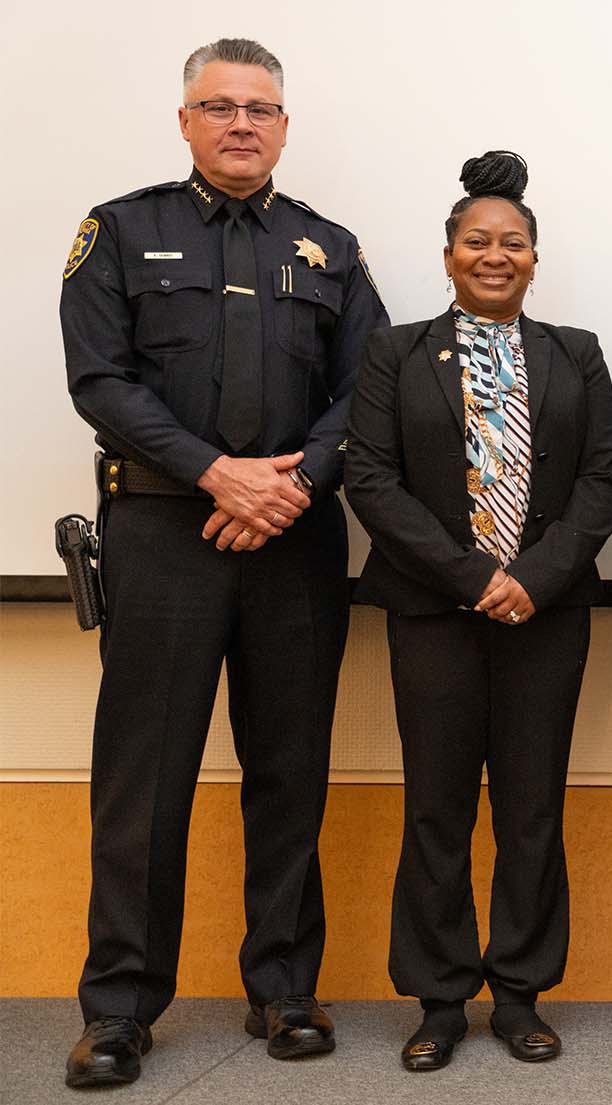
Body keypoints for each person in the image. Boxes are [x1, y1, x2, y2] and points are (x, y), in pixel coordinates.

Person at [58, 38, 388, 1089]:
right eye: (220, 106)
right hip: (164, 538)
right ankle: (118, 1007)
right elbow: (101, 381)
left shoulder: (329, 249)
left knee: (289, 771)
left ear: (285, 127)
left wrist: (286, 488)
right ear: (186, 121)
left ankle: (285, 988)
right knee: (142, 782)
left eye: (260, 108)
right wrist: (217, 475)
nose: (241, 123)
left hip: (294, 540)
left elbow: (367, 392)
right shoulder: (120, 230)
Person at [344, 151, 612, 1072]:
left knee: (531, 806)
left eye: (513, 242)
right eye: (477, 241)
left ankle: (518, 993)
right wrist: (472, 576)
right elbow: (371, 478)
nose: (495, 255)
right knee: (436, 806)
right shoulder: (394, 351)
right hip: (435, 612)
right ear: (449, 254)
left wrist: (532, 578)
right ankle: (438, 999)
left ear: (535, 259)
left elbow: (601, 477)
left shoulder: (575, 352)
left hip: (546, 613)